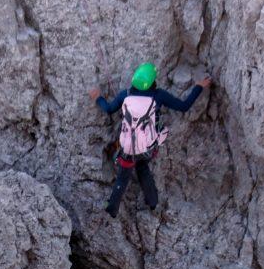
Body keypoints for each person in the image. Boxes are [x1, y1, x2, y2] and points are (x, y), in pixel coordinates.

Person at [90, 62, 212, 217]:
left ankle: (111, 210)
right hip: (148, 147)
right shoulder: (158, 95)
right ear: (153, 81)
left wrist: (98, 98)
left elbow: (108, 109)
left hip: (127, 148)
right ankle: (153, 202)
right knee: (142, 168)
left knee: (122, 178)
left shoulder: (125, 95)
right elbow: (183, 106)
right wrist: (198, 87)